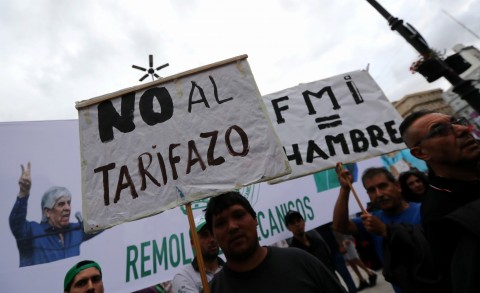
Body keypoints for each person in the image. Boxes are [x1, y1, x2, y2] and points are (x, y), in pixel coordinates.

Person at [399, 110, 480, 292]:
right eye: (440, 130)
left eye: (457, 122)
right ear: (421, 153)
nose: (462, 129)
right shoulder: (442, 216)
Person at [204, 191, 346, 293]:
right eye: (221, 223)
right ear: (213, 235)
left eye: (239, 215)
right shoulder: (212, 290)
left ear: (255, 219)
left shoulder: (300, 261)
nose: (232, 227)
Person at [332, 165, 421, 292]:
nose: (379, 194)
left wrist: (386, 231)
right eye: (372, 190)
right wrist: (345, 189)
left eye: (383, 186)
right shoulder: (372, 220)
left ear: (398, 186)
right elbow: (339, 226)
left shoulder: (422, 211)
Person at [9, 162, 98, 267]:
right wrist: (23, 193)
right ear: (47, 212)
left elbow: (104, 221)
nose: (67, 208)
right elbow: (16, 223)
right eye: (61, 204)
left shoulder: (76, 230)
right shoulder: (32, 231)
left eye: (68, 203)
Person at [172, 215, 224, 293]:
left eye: (213, 233)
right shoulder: (183, 277)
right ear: (193, 243)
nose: (212, 239)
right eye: (205, 235)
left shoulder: (233, 267)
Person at [284, 210, 337, 277]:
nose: (297, 224)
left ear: (303, 222)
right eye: (292, 223)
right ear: (288, 228)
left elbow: (329, 261)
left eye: (298, 220)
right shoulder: (293, 253)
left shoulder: (318, 242)